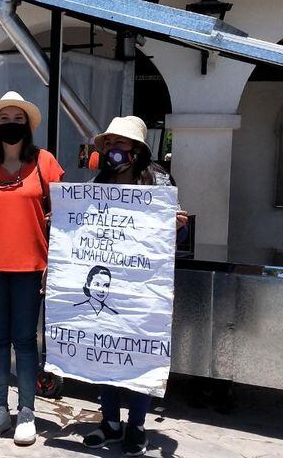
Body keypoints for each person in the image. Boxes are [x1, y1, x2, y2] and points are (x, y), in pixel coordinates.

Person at [80, 116, 188, 457]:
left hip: (143, 286)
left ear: (137, 149)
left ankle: (137, 425)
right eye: (109, 144)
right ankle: (110, 422)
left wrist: (178, 226)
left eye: (120, 144)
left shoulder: (159, 182)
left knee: (138, 352)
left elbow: (174, 236)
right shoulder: (99, 181)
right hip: (108, 282)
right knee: (108, 350)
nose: (113, 150)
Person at [0, 91, 64, 446]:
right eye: (4, 119)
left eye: (17, 119)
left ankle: (26, 412)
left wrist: (54, 263)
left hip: (31, 267)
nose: (11, 124)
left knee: (25, 341)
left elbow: (64, 219)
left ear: (27, 125)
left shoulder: (45, 163)